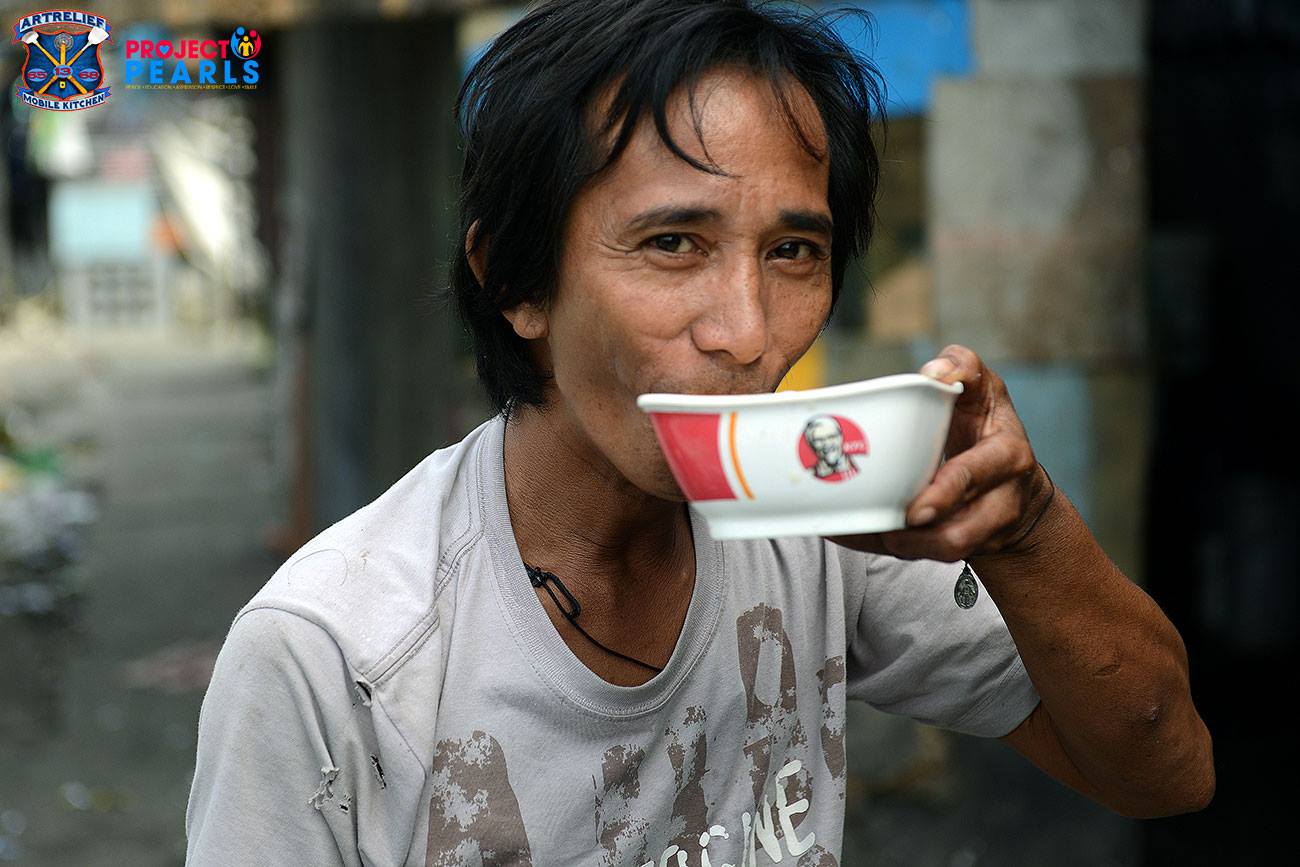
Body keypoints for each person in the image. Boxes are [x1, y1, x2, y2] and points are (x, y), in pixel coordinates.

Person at [185, 2, 1214, 864]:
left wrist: (1025, 533)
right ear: (515, 282)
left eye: (794, 251)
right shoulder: (335, 656)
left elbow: (1166, 769)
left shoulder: (819, 525)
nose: (747, 332)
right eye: (673, 243)